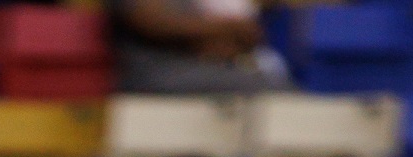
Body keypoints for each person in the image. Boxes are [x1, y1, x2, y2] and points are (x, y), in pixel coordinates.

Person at [110, 0, 290, 95]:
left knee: (274, 78)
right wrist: (223, 29)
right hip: (156, 74)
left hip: (203, 67)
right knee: (270, 86)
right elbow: (150, 21)